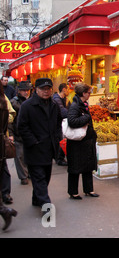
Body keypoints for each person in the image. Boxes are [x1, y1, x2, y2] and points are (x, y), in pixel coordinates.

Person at [18, 78, 62, 208]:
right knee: (39, 177)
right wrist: (33, 141)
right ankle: (46, 205)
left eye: (48, 88)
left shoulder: (54, 105)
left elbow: (58, 122)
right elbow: (22, 127)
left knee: (46, 176)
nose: (46, 91)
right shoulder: (27, 106)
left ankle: (36, 198)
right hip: (34, 149)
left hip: (49, 148)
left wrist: (57, 137)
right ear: (36, 90)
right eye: (43, 89)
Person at [66, 82, 99, 199]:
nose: (90, 94)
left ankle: (89, 189)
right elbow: (72, 121)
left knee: (87, 166)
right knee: (75, 167)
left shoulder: (83, 104)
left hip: (86, 141)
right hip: (77, 143)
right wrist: (86, 117)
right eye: (89, 92)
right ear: (83, 93)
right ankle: (73, 192)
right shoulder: (75, 105)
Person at [0, 82, 17, 231]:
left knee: (4, 170)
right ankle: (4, 209)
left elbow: (11, 116)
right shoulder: (3, 100)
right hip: (1, 141)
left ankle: (4, 208)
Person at [9, 81, 32, 185]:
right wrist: (10, 134)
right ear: (19, 91)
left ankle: (29, 173)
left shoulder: (32, 101)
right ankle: (23, 176)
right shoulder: (14, 102)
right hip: (18, 133)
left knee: (29, 154)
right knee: (19, 156)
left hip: (30, 133)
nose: (26, 92)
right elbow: (10, 121)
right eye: (24, 90)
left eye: (28, 90)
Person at [52, 83, 69, 166]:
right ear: (64, 89)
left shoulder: (64, 98)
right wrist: (72, 114)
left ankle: (60, 157)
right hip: (57, 123)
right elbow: (62, 111)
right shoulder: (56, 99)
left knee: (62, 139)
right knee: (60, 139)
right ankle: (59, 158)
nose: (69, 91)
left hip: (61, 122)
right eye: (68, 89)